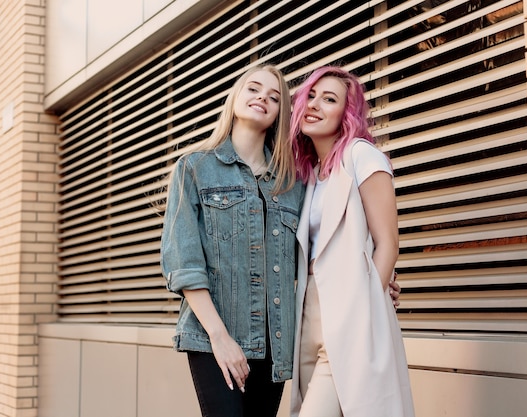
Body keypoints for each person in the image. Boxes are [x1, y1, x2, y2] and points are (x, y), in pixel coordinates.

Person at [161, 64, 402, 417]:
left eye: (274, 97)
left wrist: (376, 283)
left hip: (275, 345)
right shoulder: (194, 168)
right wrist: (220, 338)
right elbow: (184, 265)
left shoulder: (293, 184)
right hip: (213, 338)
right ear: (235, 97)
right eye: (253, 89)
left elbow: (321, 250)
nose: (262, 98)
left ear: (281, 113)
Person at [289, 66, 415, 417]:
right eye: (310, 96)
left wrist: (370, 300)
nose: (314, 104)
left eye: (329, 99)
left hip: (350, 312)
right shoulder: (309, 175)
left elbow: (388, 242)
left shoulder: (362, 156)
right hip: (309, 313)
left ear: (346, 114)